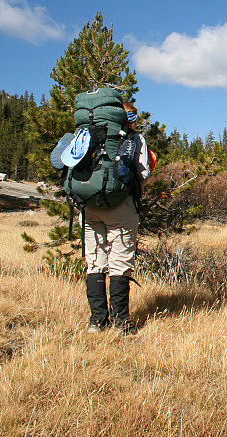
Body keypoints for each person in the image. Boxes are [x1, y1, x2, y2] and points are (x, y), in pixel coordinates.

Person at [84, 102, 150, 335]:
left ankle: (97, 322)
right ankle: (121, 325)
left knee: (95, 262)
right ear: (130, 118)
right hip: (121, 206)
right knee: (120, 264)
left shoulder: (91, 134)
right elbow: (144, 173)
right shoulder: (135, 139)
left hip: (91, 205)